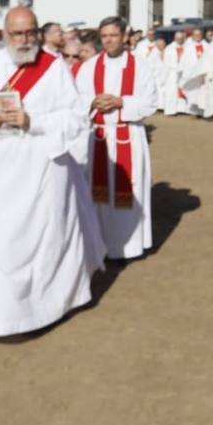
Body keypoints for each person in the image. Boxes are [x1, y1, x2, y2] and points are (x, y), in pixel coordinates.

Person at [0, 7, 103, 357]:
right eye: (17, 33)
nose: (25, 40)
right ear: (4, 34)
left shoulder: (54, 67)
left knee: (45, 244)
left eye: (30, 32)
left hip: (42, 172)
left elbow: (76, 119)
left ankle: (42, 310)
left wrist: (33, 120)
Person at [75, 16, 158, 262]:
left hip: (128, 135)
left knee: (130, 190)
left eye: (113, 35)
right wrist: (92, 101)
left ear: (124, 36)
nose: (109, 40)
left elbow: (151, 101)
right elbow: (76, 98)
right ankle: (101, 245)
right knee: (97, 192)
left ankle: (129, 247)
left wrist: (121, 102)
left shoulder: (140, 66)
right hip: (99, 135)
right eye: (104, 36)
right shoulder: (89, 67)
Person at [161, 30, 190, 117]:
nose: (179, 40)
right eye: (178, 38)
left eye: (181, 38)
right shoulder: (169, 48)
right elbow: (166, 63)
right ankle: (170, 110)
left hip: (184, 72)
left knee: (184, 90)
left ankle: (182, 109)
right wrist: (164, 76)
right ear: (175, 38)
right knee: (171, 91)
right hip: (172, 72)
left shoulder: (188, 47)